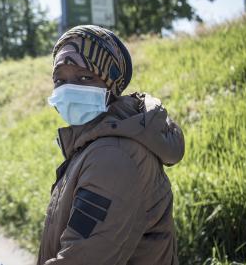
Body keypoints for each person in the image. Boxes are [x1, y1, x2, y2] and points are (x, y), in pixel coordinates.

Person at [37, 25, 185, 265]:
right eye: (59, 80)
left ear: (110, 86)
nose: (69, 89)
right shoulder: (92, 145)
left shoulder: (113, 157)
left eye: (85, 77)